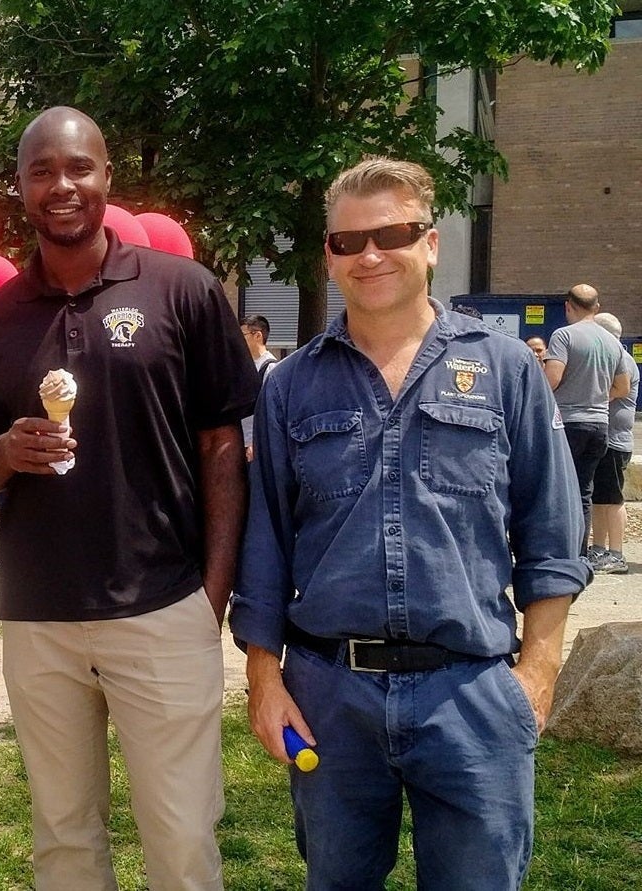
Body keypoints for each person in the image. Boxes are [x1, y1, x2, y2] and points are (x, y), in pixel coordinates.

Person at [231, 157, 591, 890]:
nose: (368, 254)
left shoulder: (503, 369)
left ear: (430, 242)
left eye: (391, 233)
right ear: (326, 256)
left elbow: (552, 531)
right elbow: (263, 542)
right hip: (330, 697)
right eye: (345, 241)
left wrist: (537, 674)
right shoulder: (291, 384)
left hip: (472, 696)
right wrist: (263, 679)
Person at [0, 106, 256, 890]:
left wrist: (209, 597)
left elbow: (223, 448)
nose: (62, 185)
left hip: (160, 606)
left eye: (79, 167)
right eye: (42, 170)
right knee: (62, 838)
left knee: (182, 839)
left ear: (107, 177)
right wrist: (5, 453)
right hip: (38, 616)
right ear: (19, 186)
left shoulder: (181, 291)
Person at [545, 283, 633, 554]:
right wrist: (595, 396)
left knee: (557, 488)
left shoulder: (563, 336)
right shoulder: (613, 343)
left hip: (568, 423)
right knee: (584, 491)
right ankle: (580, 553)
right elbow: (623, 388)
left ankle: (558, 550)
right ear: (596, 307)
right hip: (600, 425)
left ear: (568, 306)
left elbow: (552, 379)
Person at [588, 312, 637, 573]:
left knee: (613, 499)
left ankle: (616, 553)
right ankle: (598, 549)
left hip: (616, 441)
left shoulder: (621, 360)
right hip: (606, 438)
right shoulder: (612, 357)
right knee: (598, 497)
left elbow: (616, 391)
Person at [240, 313, 278, 461]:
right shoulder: (245, 365)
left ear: (258, 336)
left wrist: (256, 442)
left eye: (243, 334)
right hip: (242, 442)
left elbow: (271, 412)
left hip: (255, 447)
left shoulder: (271, 368)